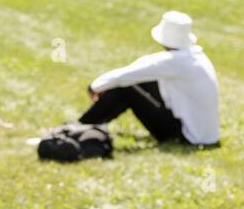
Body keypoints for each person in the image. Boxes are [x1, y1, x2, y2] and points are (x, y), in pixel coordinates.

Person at [78, 10, 219, 145]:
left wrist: (95, 87)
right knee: (139, 82)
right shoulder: (194, 56)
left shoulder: (174, 62)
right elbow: (142, 68)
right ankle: (95, 123)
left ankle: (83, 125)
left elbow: (127, 74)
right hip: (204, 135)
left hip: (186, 136)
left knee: (127, 88)